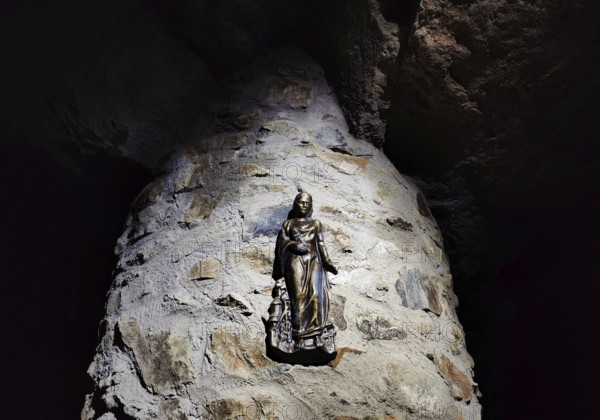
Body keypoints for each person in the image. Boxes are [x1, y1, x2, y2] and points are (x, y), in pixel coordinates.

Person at [272, 191, 338, 350]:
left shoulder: (316, 224)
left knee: (316, 296)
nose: (304, 205)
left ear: (311, 206)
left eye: (307, 203)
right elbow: (282, 242)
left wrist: (328, 262)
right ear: (295, 204)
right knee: (298, 297)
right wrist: (293, 245)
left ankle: (316, 337)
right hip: (295, 261)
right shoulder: (288, 224)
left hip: (314, 261)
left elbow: (321, 244)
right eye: (301, 202)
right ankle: (298, 337)